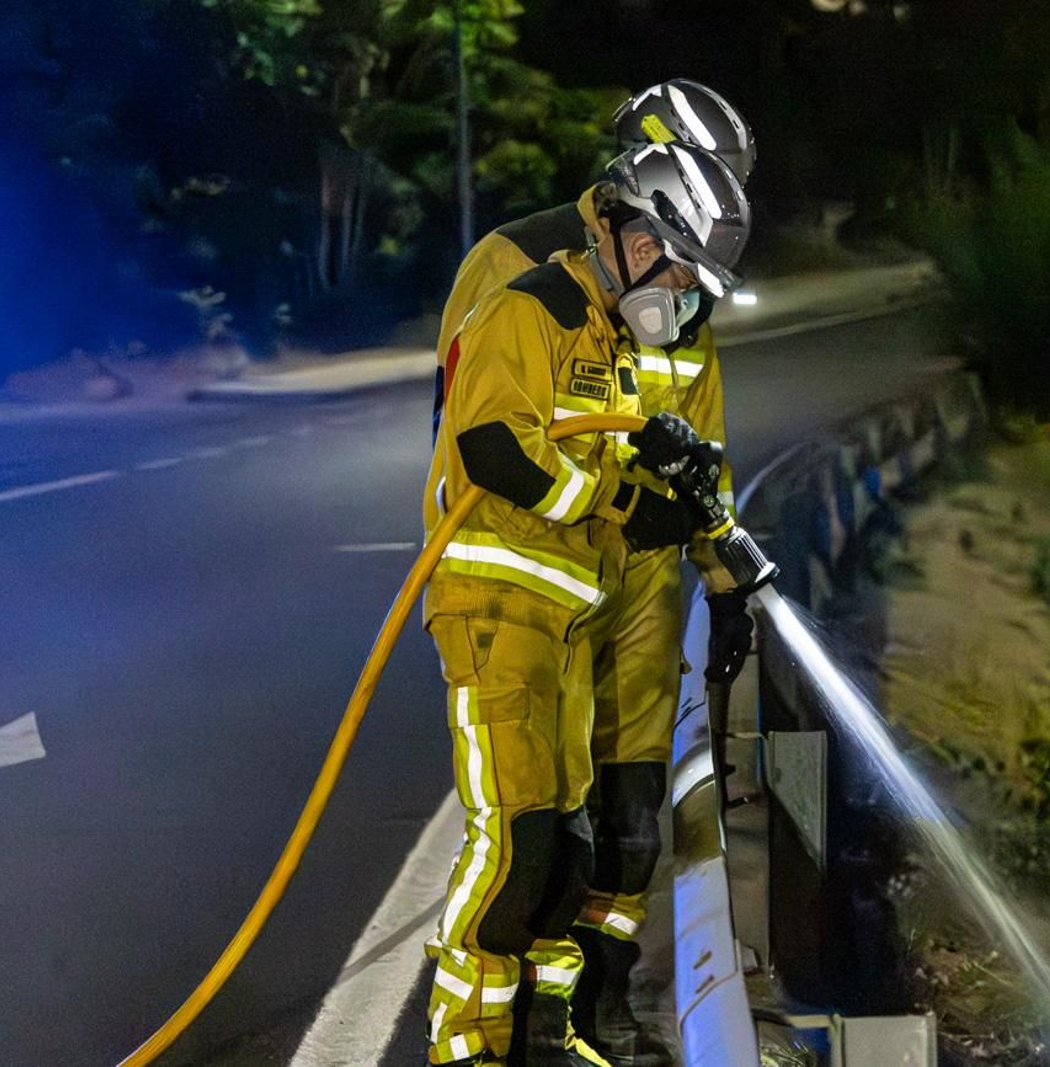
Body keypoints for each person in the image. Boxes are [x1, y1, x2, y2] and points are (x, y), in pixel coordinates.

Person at [428, 81, 758, 1067]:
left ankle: (576, 1014)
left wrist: (723, 572)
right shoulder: (524, 275)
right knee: (529, 834)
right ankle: (482, 1035)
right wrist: (604, 502)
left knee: (617, 824)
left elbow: (703, 457)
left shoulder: (672, 298)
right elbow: (485, 436)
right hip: (533, 571)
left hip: (628, 582)